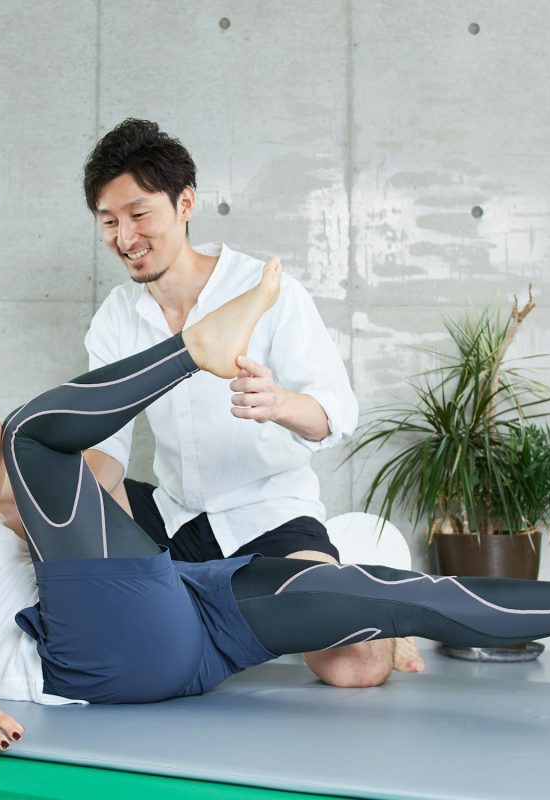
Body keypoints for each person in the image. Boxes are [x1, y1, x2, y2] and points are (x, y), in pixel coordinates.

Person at [0, 265, 550, 763]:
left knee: (388, 596)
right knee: (38, 439)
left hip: (188, 618)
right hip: (95, 658)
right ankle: (193, 351)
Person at [78, 117, 423, 686]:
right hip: (174, 516)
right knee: (24, 499)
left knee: (355, 670)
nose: (124, 237)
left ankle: (360, 600)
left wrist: (280, 402)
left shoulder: (267, 288)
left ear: (185, 203)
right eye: (109, 221)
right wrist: (59, 487)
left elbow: (337, 412)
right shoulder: (116, 317)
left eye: (139, 215)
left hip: (269, 513)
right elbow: (108, 452)